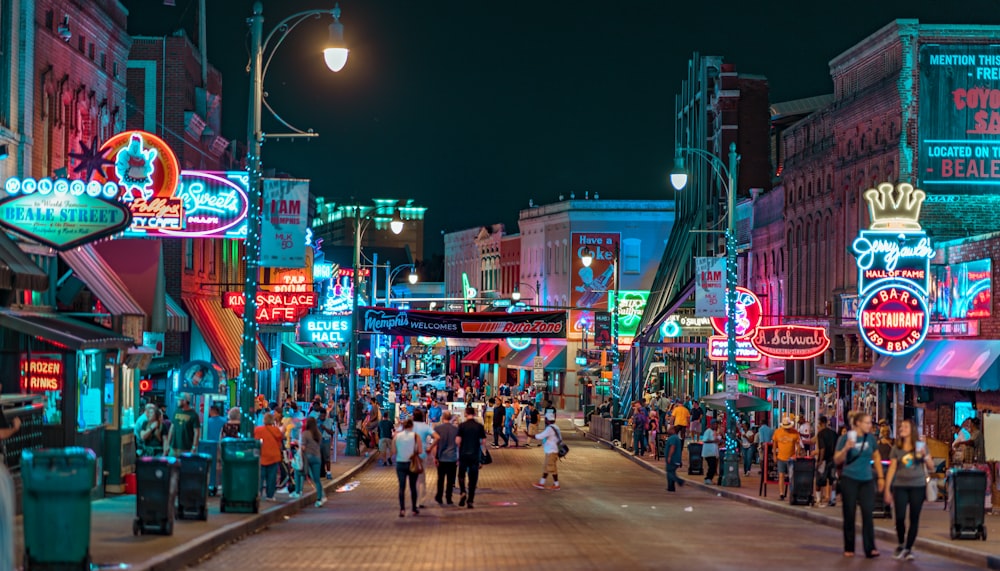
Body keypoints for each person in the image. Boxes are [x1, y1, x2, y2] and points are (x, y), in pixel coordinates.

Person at [833, 410, 885, 559]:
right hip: (850, 479)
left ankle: (870, 548)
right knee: (849, 513)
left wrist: (881, 477)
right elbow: (837, 460)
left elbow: (876, 456)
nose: (870, 425)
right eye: (867, 423)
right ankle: (849, 547)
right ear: (858, 423)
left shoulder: (871, 439)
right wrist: (846, 449)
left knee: (868, 513)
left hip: (867, 479)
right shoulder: (845, 438)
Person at [884, 418, 934, 561]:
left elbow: (931, 467)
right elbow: (892, 468)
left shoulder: (920, 446)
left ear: (911, 430)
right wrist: (887, 489)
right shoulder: (896, 448)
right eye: (901, 427)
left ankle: (908, 548)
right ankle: (901, 543)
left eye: (905, 427)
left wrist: (925, 455)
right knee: (899, 517)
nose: (902, 429)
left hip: (917, 486)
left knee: (914, 518)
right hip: (900, 486)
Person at [456, 407, 487, 509]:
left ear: (466, 414)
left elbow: (458, 441)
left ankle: (463, 492)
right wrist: (483, 456)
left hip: (463, 454)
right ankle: (470, 501)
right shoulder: (479, 426)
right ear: (474, 414)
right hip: (474, 455)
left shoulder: (462, 426)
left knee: (461, 475)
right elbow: (483, 442)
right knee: (473, 478)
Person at [392, 419, 422, 517]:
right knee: (413, 487)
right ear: (411, 426)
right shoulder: (415, 436)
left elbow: (393, 451)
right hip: (412, 463)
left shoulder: (397, 436)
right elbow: (420, 450)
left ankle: (402, 509)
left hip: (400, 463)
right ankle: (414, 508)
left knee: (402, 487)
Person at [429, 410, 459, 505]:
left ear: (442, 418)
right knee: (450, 480)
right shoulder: (456, 429)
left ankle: (439, 496)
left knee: (440, 479)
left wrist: (435, 457)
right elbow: (458, 444)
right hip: (452, 457)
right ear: (450, 418)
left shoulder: (438, 428)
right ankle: (449, 498)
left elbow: (435, 445)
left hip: (442, 457)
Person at [254, 412, 284, 501]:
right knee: (271, 477)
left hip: (262, 455)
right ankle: (270, 495)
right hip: (274, 456)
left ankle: (258, 493)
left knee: (260, 477)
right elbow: (279, 442)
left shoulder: (258, 430)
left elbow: (256, 442)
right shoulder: (276, 430)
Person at [772, 415, 801, 500]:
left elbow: (798, 444)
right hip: (781, 457)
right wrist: (774, 455)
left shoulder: (794, 432)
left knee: (792, 476)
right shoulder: (777, 432)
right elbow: (774, 444)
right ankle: (781, 493)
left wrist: (797, 454)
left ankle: (792, 493)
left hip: (791, 458)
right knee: (781, 475)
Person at [533, 411, 562, 491]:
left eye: (545, 419)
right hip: (553, 450)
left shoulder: (550, 428)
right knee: (549, 467)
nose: (545, 420)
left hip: (551, 451)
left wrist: (531, 436)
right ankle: (544, 484)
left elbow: (541, 436)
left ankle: (553, 485)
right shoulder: (556, 427)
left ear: (547, 420)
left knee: (550, 467)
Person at [411, 409, 434, 508]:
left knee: (412, 479)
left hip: (410, 454)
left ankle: (414, 500)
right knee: (421, 479)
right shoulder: (425, 427)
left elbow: (396, 434)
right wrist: (430, 448)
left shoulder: (409, 426)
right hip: (422, 455)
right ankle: (421, 501)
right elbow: (436, 437)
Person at [300, 417, 326, 507]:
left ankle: (298, 492)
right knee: (317, 479)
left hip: (308, 457)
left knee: (301, 474)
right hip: (317, 457)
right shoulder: (318, 434)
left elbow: (303, 447)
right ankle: (320, 497)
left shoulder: (305, 433)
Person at [816, 415, 838, 507]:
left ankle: (818, 499)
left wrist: (820, 461)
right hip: (833, 459)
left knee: (819, 480)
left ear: (821, 423)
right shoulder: (834, 433)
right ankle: (832, 499)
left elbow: (822, 448)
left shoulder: (820, 434)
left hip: (824, 460)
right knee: (832, 480)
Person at [664, 426, 685, 492]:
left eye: (669, 429)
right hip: (675, 458)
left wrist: (669, 457)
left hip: (673, 459)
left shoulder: (673, 438)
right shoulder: (676, 438)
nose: (668, 430)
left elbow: (672, 447)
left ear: (673, 430)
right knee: (671, 472)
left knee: (669, 472)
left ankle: (679, 481)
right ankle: (671, 487)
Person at [701, 419, 720, 485]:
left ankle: (709, 478)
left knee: (713, 466)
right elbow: (705, 440)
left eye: (716, 424)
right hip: (708, 452)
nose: (716, 426)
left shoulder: (715, 432)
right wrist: (713, 441)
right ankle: (708, 478)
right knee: (712, 466)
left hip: (713, 452)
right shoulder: (708, 431)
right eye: (714, 424)